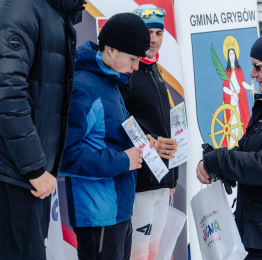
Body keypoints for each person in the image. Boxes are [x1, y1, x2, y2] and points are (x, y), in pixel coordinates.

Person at [197, 29, 262, 259]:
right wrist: (215, 165)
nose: (252, 74)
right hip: (261, 235)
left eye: (258, 66)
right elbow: (246, 150)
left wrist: (220, 161)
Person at [59, 13, 154, 260]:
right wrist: (123, 160)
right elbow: (65, 155)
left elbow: (108, 136)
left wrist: (143, 142)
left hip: (119, 209)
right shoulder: (84, 86)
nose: (136, 66)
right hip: (97, 214)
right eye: (133, 59)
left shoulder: (110, 81)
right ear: (110, 49)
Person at [0, 0, 85, 259]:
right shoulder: (22, 6)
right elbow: (7, 90)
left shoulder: (57, 13)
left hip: (31, 175)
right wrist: (34, 166)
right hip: (16, 172)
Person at [118, 5, 179, 260]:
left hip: (162, 180)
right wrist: (148, 141)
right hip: (140, 180)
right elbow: (118, 122)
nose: (153, 40)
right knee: (139, 254)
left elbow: (160, 123)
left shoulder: (154, 69)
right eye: (148, 32)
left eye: (159, 33)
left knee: (156, 254)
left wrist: (172, 177)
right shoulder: (126, 72)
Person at [221, 36, 254, 148]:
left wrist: (249, 87)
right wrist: (232, 93)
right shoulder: (227, 72)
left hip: (240, 101)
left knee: (242, 123)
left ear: (235, 56)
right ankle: (232, 146)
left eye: (233, 54)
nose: (231, 56)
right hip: (232, 102)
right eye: (229, 54)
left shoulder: (239, 70)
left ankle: (242, 146)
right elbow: (224, 88)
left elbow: (242, 83)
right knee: (233, 124)